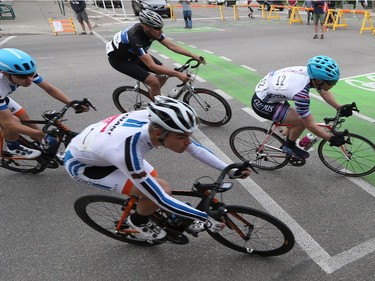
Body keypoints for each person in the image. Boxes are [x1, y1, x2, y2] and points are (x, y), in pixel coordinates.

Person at [64, 96, 252, 240]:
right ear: (158, 132)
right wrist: (203, 217)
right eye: (181, 138)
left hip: (102, 147)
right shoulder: (127, 151)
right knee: (160, 191)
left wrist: (229, 167)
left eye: (189, 135)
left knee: (155, 184)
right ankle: (137, 221)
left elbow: (195, 149)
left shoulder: (159, 123)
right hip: (85, 166)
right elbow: (159, 197)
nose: (187, 142)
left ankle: (167, 216)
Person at [251, 55, 353, 160]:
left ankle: (287, 133)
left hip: (272, 92)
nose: (334, 85)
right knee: (301, 121)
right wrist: (331, 138)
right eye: (331, 83)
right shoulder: (301, 94)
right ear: (318, 81)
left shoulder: (310, 73)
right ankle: (289, 146)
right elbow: (310, 125)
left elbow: (324, 92)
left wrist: (339, 107)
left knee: (294, 121)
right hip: (263, 103)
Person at [0, 48, 89, 158]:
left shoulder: (24, 73)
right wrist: (43, 134)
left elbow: (49, 88)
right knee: (13, 122)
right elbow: (10, 124)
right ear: (5, 73)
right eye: (22, 77)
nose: (29, 79)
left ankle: (42, 144)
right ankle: (13, 146)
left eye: (31, 74)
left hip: (2, 95)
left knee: (25, 118)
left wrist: (74, 104)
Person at [106, 9, 205, 100]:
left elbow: (171, 46)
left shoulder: (151, 30)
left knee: (163, 74)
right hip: (120, 60)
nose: (161, 31)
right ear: (146, 27)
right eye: (158, 28)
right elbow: (152, 66)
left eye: (161, 28)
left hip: (134, 54)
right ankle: (157, 106)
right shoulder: (135, 38)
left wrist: (193, 55)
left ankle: (153, 94)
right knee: (154, 81)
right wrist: (177, 74)